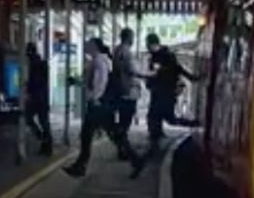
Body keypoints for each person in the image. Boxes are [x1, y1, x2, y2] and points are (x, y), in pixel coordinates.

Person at [130, 33, 197, 176]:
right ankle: (144, 158)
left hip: (163, 95)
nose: (147, 47)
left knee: (162, 120)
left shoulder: (162, 56)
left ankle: (142, 160)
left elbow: (157, 74)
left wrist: (141, 75)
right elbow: (179, 70)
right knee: (161, 122)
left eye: (148, 44)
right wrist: (192, 78)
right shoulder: (165, 55)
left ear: (153, 44)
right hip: (162, 95)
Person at [64, 38, 118, 177]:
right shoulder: (100, 60)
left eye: (88, 46)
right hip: (101, 103)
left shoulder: (99, 61)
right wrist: (76, 81)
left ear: (94, 47)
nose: (86, 49)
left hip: (98, 105)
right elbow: (89, 82)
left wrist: (95, 99)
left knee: (88, 135)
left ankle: (80, 167)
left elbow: (100, 82)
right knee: (108, 133)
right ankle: (79, 166)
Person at [108, 29, 142, 162]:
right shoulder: (126, 51)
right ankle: (123, 149)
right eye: (133, 37)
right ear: (128, 38)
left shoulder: (116, 50)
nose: (133, 39)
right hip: (128, 91)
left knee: (123, 121)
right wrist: (148, 74)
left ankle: (122, 148)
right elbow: (132, 70)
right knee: (125, 122)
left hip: (120, 90)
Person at [25, 43, 54, 155]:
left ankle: (42, 138)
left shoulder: (33, 64)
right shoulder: (43, 64)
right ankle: (47, 145)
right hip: (43, 97)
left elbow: (34, 82)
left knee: (28, 117)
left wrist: (28, 91)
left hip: (36, 98)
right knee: (44, 122)